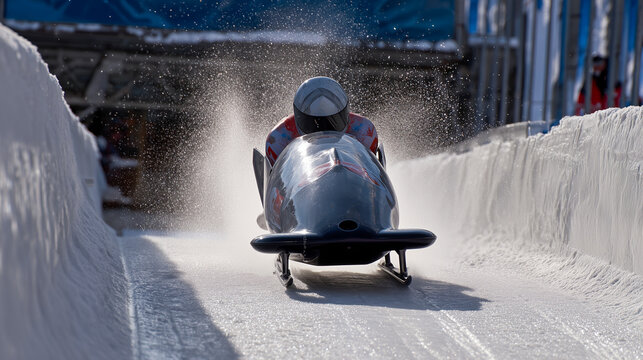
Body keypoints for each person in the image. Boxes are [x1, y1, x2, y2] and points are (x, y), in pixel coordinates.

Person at [265, 77, 378, 165]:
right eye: (315, 123)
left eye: (331, 122)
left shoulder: (363, 130)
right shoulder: (278, 138)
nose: (324, 131)